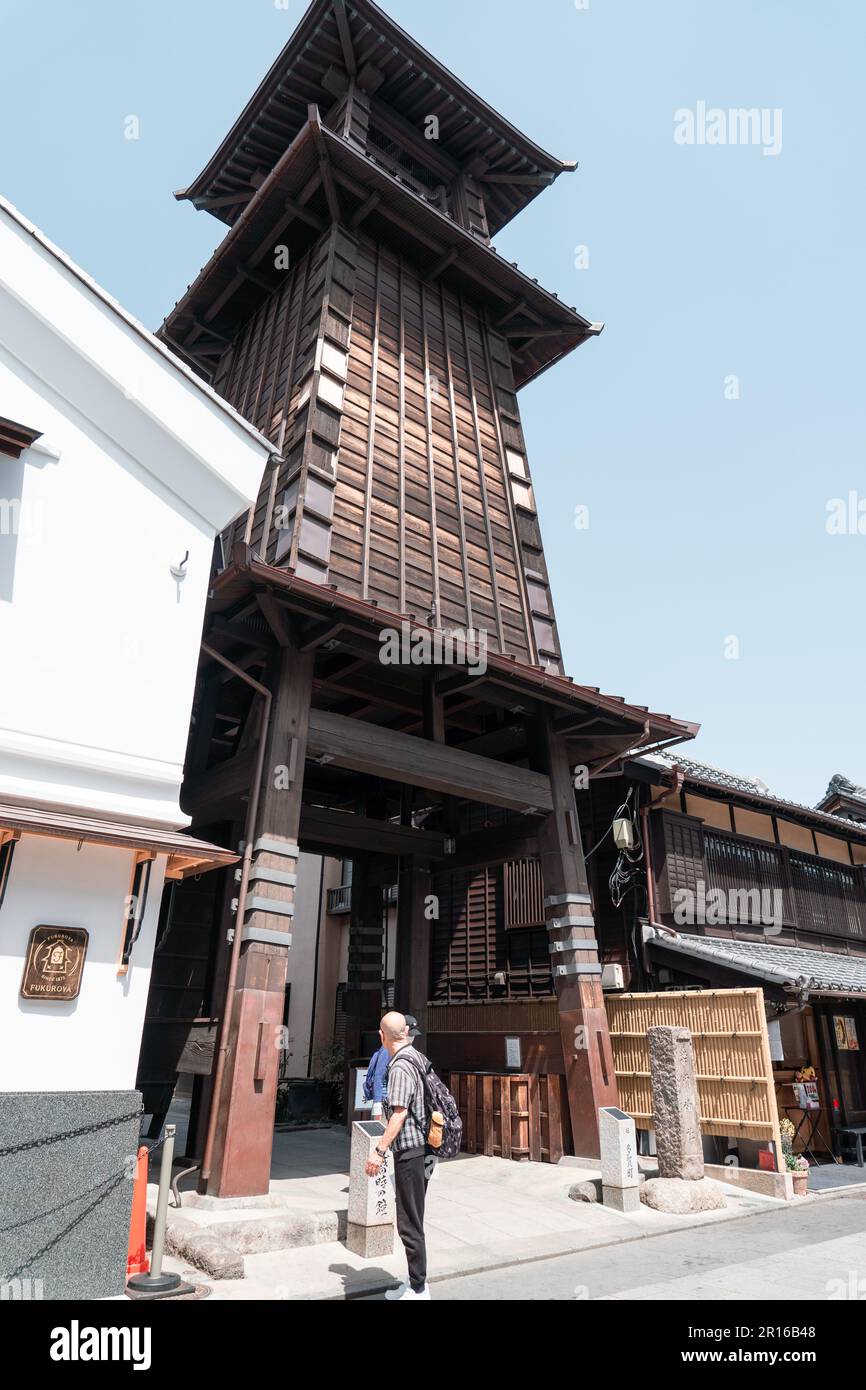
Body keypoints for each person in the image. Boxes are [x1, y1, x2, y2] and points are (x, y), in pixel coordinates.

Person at [364, 1011, 431, 1301]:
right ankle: (414, 1281)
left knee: (409, 1221)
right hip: (423, 1150)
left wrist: (379, 1151)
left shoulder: (401, 1066)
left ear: (383, 1036)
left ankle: (419, 1288)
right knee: (412, 1216)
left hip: (411, 1152)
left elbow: (399, 1113)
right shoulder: (417, 1057)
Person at [363, 1042, 390, 1120]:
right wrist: (377, 1105)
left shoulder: (387, 1049)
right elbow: (378, 1077)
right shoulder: (387, 1050)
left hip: (385, 1101)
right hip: (384, 1101)